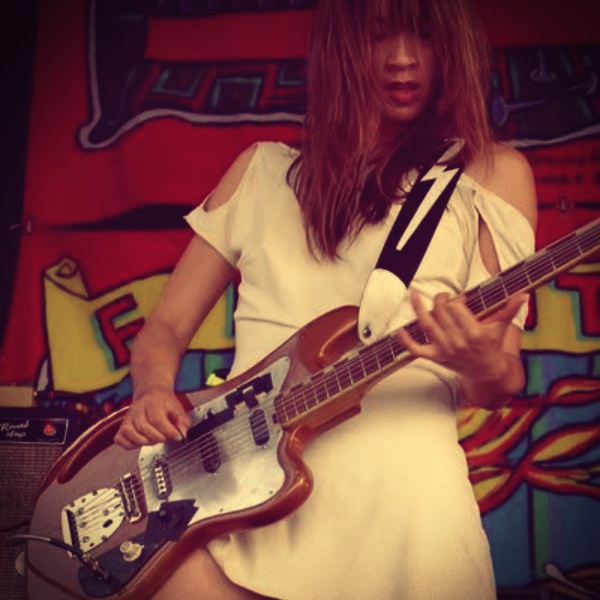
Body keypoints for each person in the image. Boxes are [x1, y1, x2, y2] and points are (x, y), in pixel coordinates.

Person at [114, 0, 537, 598]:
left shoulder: (493, 175)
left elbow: (501, 379)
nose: (402, 59)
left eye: (424, 35)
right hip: (239, 506)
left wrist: (480, 362)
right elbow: (164, 330)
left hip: (409, 514)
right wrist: (153, 390)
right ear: (340, 47)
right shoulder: (260, 172)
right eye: (378, 35)